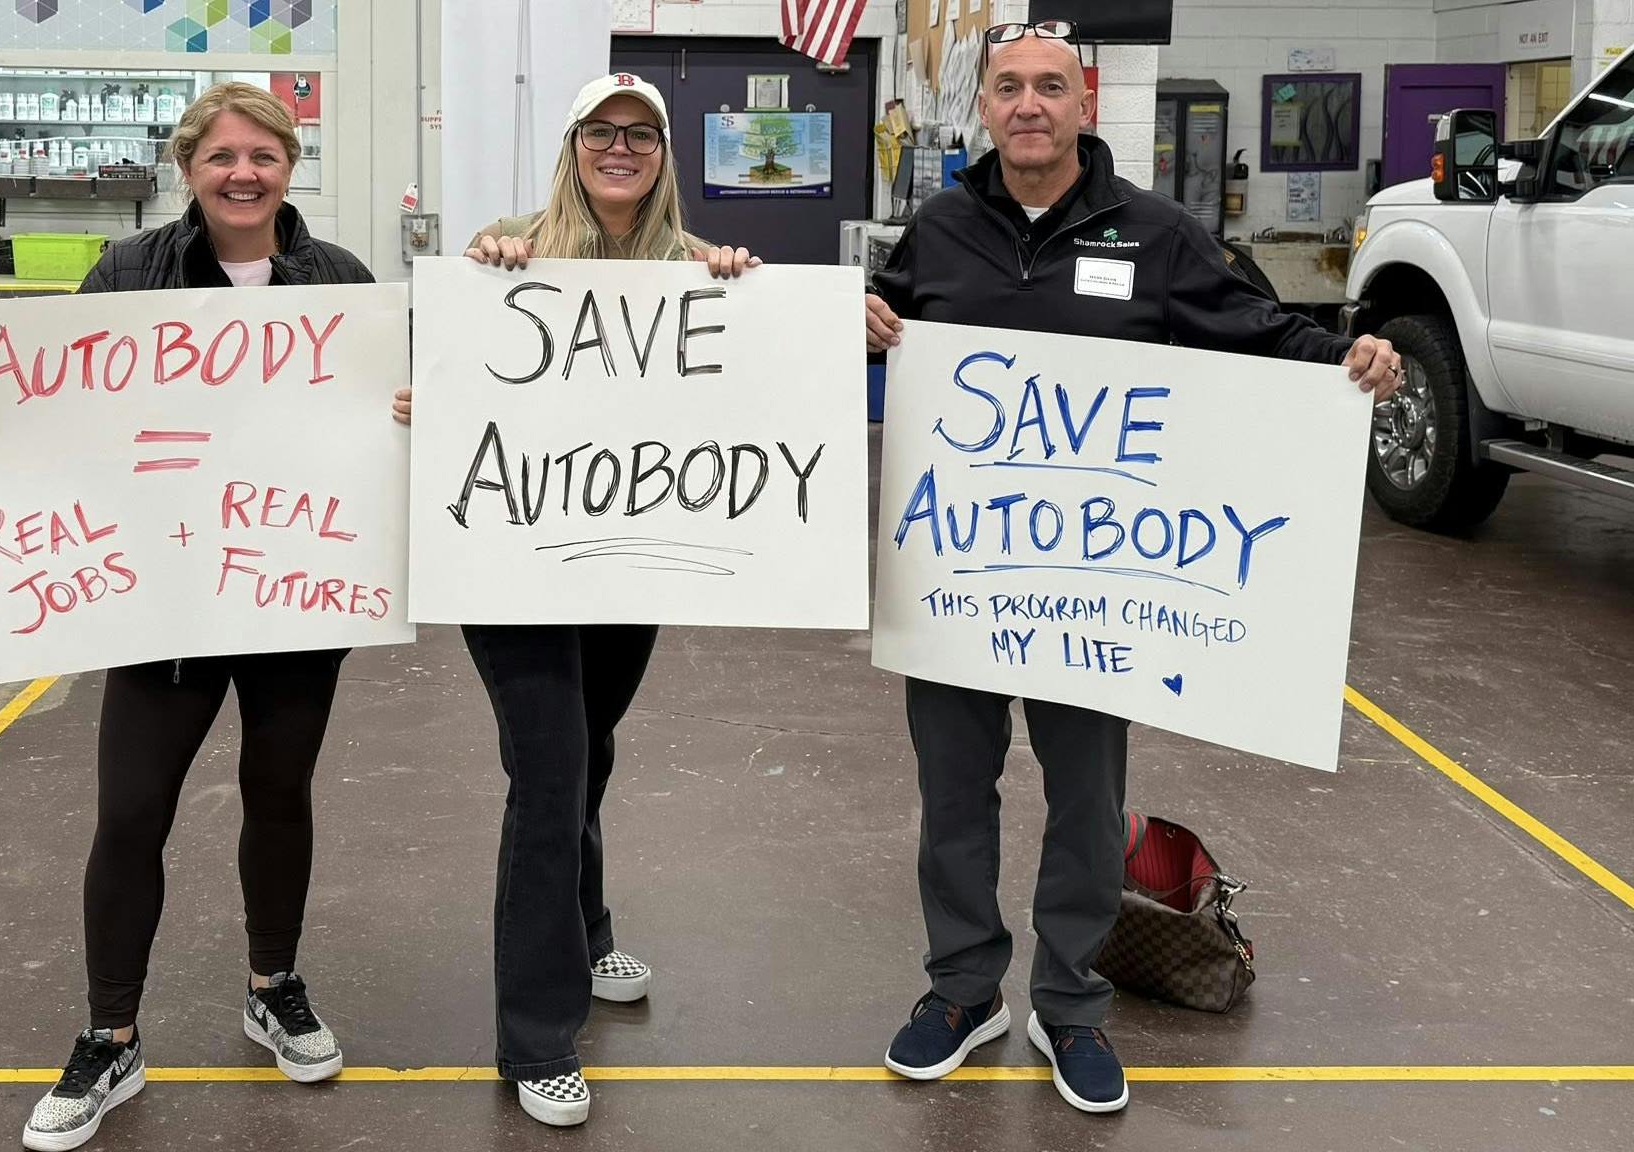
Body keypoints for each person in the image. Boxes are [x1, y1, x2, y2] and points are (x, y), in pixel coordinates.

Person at [865, 21, 1403, 1116]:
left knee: (1082, 802)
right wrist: (851, 326)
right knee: (952, 796)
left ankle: (1069, 1007)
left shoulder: (1154, 235)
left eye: (1048, 88)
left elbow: (1253, 333)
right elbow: (876, 336)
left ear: (1082, 101)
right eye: (1008, 87)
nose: (1026, 105)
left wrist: (1343, 358)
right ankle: (964, 992)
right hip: (958, 579)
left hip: (1092, 588)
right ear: (985, 106)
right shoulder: (936, 230)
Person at [0, 82, 386, 1152]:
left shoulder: (340, 281)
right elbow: (47, 407)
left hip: (287, 586)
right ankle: (109, 1034)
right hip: (163, 601)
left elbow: (380, 422)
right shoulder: (131, 273)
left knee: (278, 788)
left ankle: (274, 985)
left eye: (263, 155)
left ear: (289, 165)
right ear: (186, 169)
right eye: (221, 157)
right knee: (130, 810)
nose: (243, 175)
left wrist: (407, 412)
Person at [429, 73, 755, 1129]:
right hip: (516, 565)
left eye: (642, 134)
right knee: (550, 766)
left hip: (627, 556)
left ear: (662, 154)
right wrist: (481, 279)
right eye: (602, 132)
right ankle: (535, 1038)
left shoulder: (692, 269)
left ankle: (588, 921)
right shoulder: (505, 250)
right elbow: (447, 366)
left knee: (589, 746)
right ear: (573, 145)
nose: (621, 148)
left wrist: (744, 294)